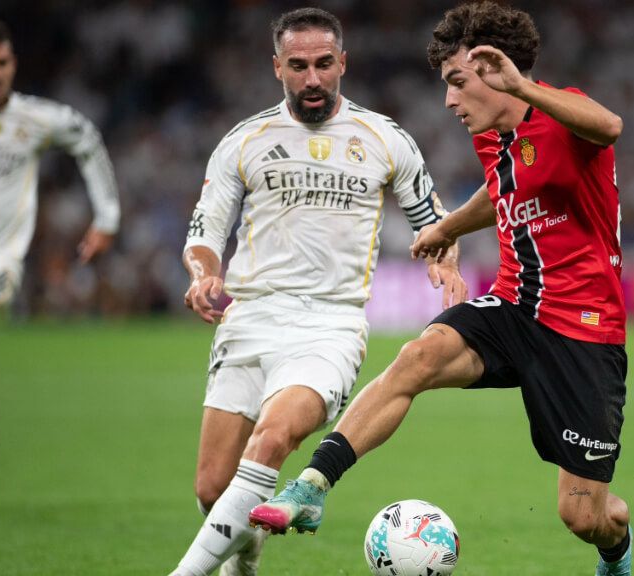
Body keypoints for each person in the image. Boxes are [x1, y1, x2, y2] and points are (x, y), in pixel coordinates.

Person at [250, 3, 634, 575]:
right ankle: (310, 486)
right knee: (418, 356)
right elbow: (502, 188)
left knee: (585, 516)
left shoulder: (564, 116)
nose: (450, 101)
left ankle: (617, 547)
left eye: (458, 84)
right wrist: (447, 225)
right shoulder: (491, 136)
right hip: (513, 304)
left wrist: (524, 86)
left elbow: (610, 127)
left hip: (584, 328)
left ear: (496, 72)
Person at [167, 8, 466, 576]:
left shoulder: (385, 139)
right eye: (298, 65)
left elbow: (434, 221)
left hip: (329, 325)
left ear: (342, 64)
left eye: (324, 64)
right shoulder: (243, 141)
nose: (312, 78)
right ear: (277, 66)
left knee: (274, 438)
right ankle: (244, 558)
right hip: (249, 318)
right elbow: (204, 231)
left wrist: (445, 260)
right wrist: (202, 273)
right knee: (212, 488)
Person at [0, 16, 119, 507]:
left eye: (2, 62)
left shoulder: (34, 119)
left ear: (13, 64)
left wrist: (107, 218)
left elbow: (86, 138)